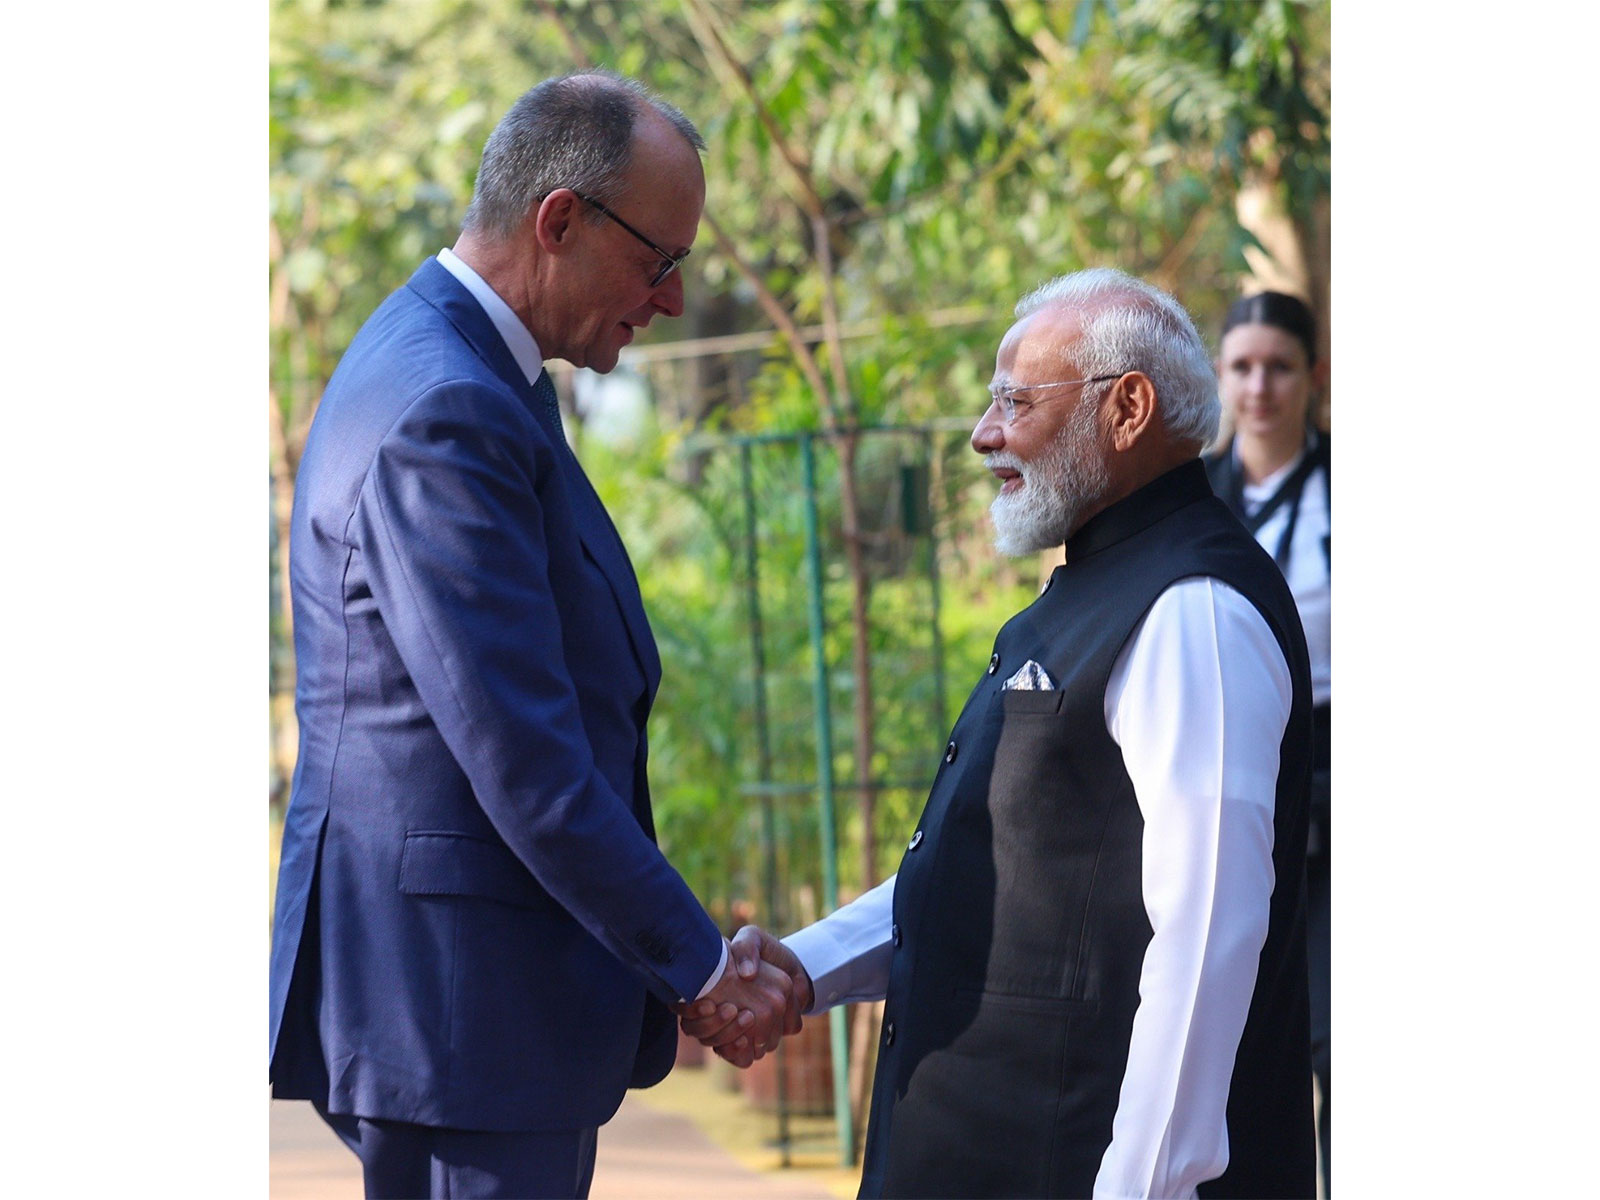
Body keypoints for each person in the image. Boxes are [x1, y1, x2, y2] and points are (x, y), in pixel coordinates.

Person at [268, 72, 794, 1200]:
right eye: (659, 261)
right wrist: (700, 965)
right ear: (560, 221)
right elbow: (524, 757)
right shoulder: (445, 408)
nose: (670, 301)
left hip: (466, 1013)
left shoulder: (469, 373)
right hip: (465, 1021)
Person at [684, 268, 1317, 1198]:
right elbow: (997, 877)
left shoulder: (1195, 606)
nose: (985, 434)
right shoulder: (1092, 590)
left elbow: (1209, 932)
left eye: (1016, 401)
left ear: (1128, 408)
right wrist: (807, 967)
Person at [1206, 291, 1331, 1193]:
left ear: (1313, 379)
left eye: (1280, 366)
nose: (1260, 387)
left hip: (1329, 792)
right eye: (1242, 366)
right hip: (1212, 776)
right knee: (1223, 1026)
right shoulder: (1186, 496)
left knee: (1334, 1027)